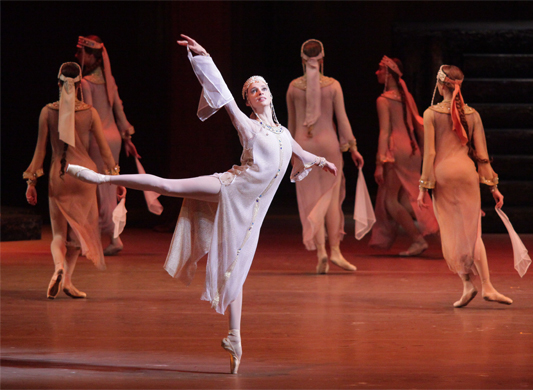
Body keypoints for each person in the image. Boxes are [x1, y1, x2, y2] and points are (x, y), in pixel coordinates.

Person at [66, 35, 337, 374]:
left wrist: (323, 161)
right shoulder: (248, 126)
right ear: (249, 101)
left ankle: (235, 337)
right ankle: (102, 180)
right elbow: (223, 96)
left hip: (250, 216)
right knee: (169, 185)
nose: (260, 91)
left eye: (263, 87)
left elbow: (300, 152)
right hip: (230, 188)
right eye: (253, 90)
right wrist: (205, 58)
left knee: (235, 274)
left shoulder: (282, 133)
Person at [417, 64, 512, 308]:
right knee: (472, 232)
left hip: (444, 176)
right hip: (467, 174)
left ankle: (467, 283)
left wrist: (422, 187)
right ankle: (486, 286)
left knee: (452, 231)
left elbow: (430, 153)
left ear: (440, 85)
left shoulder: (431, 114)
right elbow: (482, 155)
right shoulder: (473, 114)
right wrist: (493, 187)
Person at [24, 62, 120, 299]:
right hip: (85, 175)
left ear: (58, 84)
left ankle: (59, 269)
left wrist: (31, 182)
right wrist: (117, 179)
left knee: (58, 234)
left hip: (60, 174)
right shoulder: (90, 112)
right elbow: (106, 152)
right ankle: (67, 279)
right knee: (79, 232)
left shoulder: (47, 112)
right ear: (79, 87)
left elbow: (40, 152)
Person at [286, 39, 364, 274]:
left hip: (303, 146)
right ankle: (336, 251)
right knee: (329, 198)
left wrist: (289, 153)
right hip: (328, 145)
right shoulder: (333, 86)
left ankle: (321, 252)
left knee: (312, 199)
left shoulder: (293, 87)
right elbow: (342, 120)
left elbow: (290, 124)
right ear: (322, 60)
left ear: (302, 60)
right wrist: (353, 148)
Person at [75, 35, 139, 256]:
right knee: (108, 188)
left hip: (98, 140)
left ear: (93, 57)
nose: (77, 55)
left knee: (98, 190)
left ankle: (106, 237)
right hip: (114, 139)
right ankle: (110, 236)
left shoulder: (86, 82)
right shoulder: (108, 81)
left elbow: (89, 116)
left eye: (81, 52)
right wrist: (128, 139)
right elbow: (119, 111)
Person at [370, 56, 439, 256]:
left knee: (390, 201)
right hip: (412, 150)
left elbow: (385, 132)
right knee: (409, 200)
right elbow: (417, 124)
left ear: (389, 73)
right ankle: (441, 234)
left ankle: (418, 240)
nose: (377, 72)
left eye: (380, 69)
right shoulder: (406, 96)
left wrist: (379, 163)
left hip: (396, 151)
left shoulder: (383, 100)